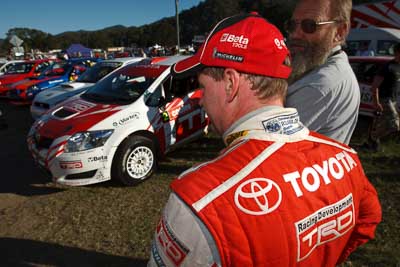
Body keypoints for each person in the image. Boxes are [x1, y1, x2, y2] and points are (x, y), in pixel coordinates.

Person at [148, 13, 381, 267]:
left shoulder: (199, 200)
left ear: (229, 83)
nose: (199, 99)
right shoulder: (346, 158)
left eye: (202, 85)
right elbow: (366, 222)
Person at [285, 0, 360, 145]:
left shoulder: (320, 85)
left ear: (339, 32)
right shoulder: (320, 66)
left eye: (310, 26)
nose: (295, 34)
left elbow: (267, 144)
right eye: (292, 25)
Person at [363, 42, 400, 151]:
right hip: (384, 99)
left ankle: (372, 143)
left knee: (384, 123)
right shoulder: (387, 67)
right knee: (394, 124)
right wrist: (376, 102)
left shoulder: (398, 67)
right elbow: (375, 86)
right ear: (397, 53)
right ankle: (373, 138)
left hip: (393, 99)